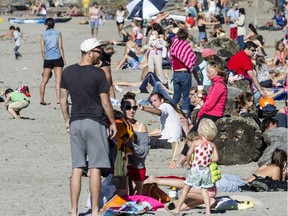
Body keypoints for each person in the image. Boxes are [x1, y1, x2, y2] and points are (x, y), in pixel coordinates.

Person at [59, 38, 117, 216]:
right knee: (95, 167)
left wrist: (67, 119)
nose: (101, 55)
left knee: (76, 167)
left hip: (76, 122)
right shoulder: (98, 74)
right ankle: (95, 210)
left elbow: (62, 99)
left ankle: (74, 210)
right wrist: (113, 122)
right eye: (99, 51)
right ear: (90, 52)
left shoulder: (67, 72)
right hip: (95, 122)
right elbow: (105, 101)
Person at [171, 119, 219, 215]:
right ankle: (208, 211)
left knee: (186, 188)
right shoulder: (212, 145)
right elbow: (216, 158)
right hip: (206, 170)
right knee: (204, 190)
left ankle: (177, 209)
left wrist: (189, 163)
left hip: (196, 169)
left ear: (200, 131)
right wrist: (207, 160)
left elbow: (188, 154)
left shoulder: (196, 143)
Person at [216, 148, 287, 192]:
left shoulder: (266, 165)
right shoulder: (276, 169)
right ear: (284, 162)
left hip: (238, 179)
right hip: (242, 185)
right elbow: (275, 186)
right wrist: (283, 176)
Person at [120, 92, 150, 195]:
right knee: (121, 198)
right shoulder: (117, 125)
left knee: (136, 200)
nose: (131, 110)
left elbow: (144, 152)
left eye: (134, 108)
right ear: (122, 108)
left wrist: (129, 143)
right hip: (120, 166)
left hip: (137, 166)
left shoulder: (141, 126)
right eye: (128, 107)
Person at [170, 28, 197, 115]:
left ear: (177, 35)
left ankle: (171, 113)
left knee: (176, 96)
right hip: (185, 73)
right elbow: (192, 57)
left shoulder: (174, 45)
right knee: (186, 97)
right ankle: (185, 115)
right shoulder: (186, 46)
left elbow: (171, 59)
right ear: (186, 36)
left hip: (176, 73)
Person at [40, 18, 65, 105]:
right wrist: (64, 59)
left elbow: (43, 50)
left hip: (48, 59)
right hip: (57, 57)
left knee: (44, 80)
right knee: (58, 80)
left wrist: (44, 59)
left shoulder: (43, 35)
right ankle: (58, 100)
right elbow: (60, 47)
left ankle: (42, 99)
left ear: (46, 25)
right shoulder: (58, 33)